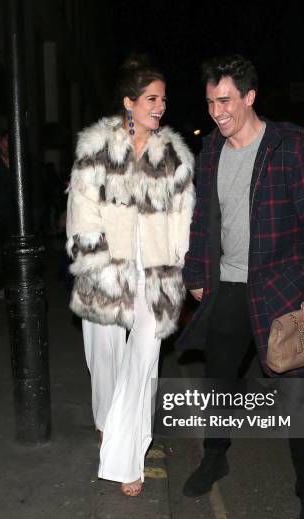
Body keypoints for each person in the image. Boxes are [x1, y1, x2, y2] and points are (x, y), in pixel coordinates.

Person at [177, 54, 304, 519]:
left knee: (299, 402)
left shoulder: (288, 149)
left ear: (249, 97)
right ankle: (215, 456)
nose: (217, 111)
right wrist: (196, 274)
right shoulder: (210, 152)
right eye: (209, 101)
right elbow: (204, 219)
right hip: (226, 289)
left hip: (283, 292)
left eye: (225, 100)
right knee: (217, 382)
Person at [66, 55, 195, 496]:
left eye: (163, 99)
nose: (160, 106)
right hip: (106, 269)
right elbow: (81, 209)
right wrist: (95, 263)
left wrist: (182, 263)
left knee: (143, 362)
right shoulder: (98, 147)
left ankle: (127, 455)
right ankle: (106, 419)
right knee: (104, 357)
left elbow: (182, 216)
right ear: (129, 102)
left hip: (153, 275)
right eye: (152, 98)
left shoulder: (173, 154)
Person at [0, 131, 12, 299]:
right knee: (1, 252)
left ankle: (9, 285)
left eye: (9, 143)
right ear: (0, 144)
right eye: (5, 143)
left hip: (14, 213)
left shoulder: (16, 162)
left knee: (11, 252)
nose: (7, 146)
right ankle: (1, 286)